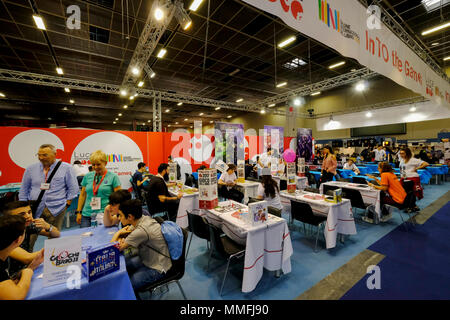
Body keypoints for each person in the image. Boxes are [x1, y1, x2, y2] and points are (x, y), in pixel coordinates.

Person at [19, 144, 78, 249]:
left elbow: (73, 188)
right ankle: (26, 260)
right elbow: (24, 189)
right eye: (39, 155)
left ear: (55, 154)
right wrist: (23, 209)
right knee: (29, 237)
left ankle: (51, 260)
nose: (41, 158)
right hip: (35, 208)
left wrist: (66, 205)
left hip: (57, 208)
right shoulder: (30, 169)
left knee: (54, 236)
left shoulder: (66, 168)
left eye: (45, 155)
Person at [111, 199, 171, 292]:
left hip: (158, 268)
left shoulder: (140, 231)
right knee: (123, 265)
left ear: (130, 216)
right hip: (149, 259)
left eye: (121, 215)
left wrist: (117, 233)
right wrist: (122, 238)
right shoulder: (143, 218)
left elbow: (113, 250)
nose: (119, 218)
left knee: (125, 286)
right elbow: (125, 236)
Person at [0, 215, 45, 300]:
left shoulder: (4, 252)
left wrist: (31, 267)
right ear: (19, 239)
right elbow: (16, 296)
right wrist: (27, 273)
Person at [76, 150, 121, 228]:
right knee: (85, 238)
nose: (95, 167)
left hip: (105, 214)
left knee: (105, 238)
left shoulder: (113, 177)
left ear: (105, 163)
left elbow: (119, 197)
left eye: (98, 164)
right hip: (87, 214)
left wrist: (115, 212)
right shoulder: (87, 176)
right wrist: (79, 212)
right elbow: (82, 195)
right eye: (93, 165)